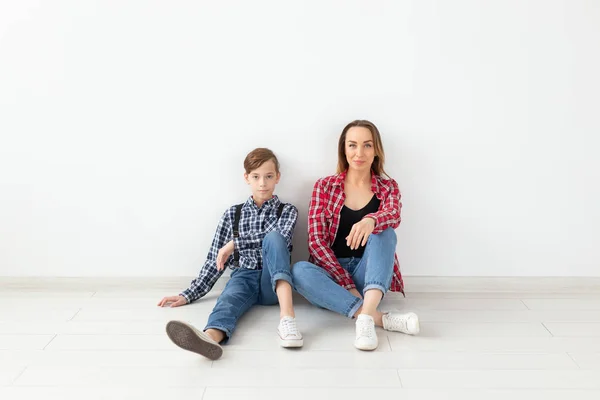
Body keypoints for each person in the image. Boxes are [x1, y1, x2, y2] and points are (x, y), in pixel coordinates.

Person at [158, 148, 302, 360]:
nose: (262, 183)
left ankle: (287, 320)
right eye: (256, 177)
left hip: (272, 279)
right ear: (247, 178)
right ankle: (209, 338)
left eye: (269, 176)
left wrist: (235, 243)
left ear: (277, 177)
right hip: (243, 275)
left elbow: (281, 238)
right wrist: (188, 294)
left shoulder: (287, 211)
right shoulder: (232, 214)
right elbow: (215, 260)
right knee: (228, 300)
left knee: (274, 238)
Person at [292, 120, 420, 351]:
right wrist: (345, 282)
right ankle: (376, 318)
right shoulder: (325, 186)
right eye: (352, 145)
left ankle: (364, 316)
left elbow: (393, 214)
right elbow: (316, 242)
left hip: (369, 275)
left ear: (376, 150)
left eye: (367, 145)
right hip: (331, 279)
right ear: (344, 149)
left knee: (385, 232)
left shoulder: (388, 187)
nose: (359, 153)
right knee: (299, 271)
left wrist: (371, 220)